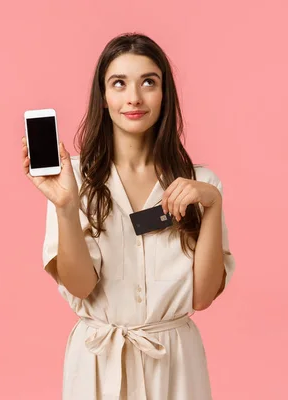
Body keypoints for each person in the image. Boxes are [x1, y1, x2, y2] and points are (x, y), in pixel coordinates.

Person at [21, 32, 235, 400]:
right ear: (103, 98)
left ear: (164, 94)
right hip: (98, 365)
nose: (134, 97)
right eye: (119, 83)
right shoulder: (76, 179)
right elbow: (80, 286)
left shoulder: (199, 184)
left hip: (175, 365)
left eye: (148, 82)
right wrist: (67, 208)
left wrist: (212, 204)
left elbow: (201, 298)